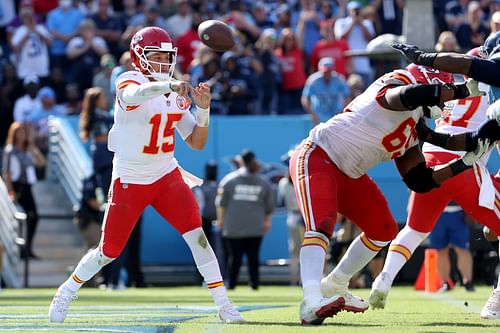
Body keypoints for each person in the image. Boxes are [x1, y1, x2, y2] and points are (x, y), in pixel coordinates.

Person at [48, 26, 243, 324]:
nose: (165, 62)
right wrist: (169, 87)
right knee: (109, 251)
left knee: (198, 236)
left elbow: (197, 142)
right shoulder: (130, 79)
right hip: (130, 178)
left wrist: (203, 111)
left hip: (166, 174)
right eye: (157, 55)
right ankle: (66, 290)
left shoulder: (175, 92)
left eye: (168, 56)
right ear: (140, 56)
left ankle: (225, 304)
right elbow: (137, 95)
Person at [288, 63, 497, 325]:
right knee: (322, 224)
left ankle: (336, 283)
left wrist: (463, 163)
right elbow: (405, 97)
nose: (446, 99)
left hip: (350, 174)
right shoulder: (395, 85)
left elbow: (419, 181)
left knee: (383, 229)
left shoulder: (414, 125)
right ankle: (310, 301)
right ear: (426, 81)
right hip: (318, 156)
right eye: (441, 88)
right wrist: (460, 90)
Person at [370, 53, 497, 308]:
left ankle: (383, 279)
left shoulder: (453, 87)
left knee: (414, 230)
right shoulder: (493, 87)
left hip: (429, 159)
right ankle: (496, 301)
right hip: (463, 161)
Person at [216, 149, 274, 290]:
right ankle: (254, 284)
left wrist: (221, 220)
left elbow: (220, 204)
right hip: (255, 226)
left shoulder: (229, 180)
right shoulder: (263, 182)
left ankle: (232, 284)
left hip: (233, 226)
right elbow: (269, 206)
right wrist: (267, 221)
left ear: (240, 161)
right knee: (253, 257)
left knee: (234, 258)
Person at [2, 122, 46, 259]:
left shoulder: (28, 150)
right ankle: (21, 249)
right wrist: (10, 190)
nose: (21, 135)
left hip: (28, 187)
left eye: (23, 132)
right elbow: (7, 172)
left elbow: (41, 163)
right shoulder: (10, 150)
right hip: (17, 186)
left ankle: (27, 248)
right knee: (23, 217)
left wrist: (33, 148)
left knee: (34, 217)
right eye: (19, 132)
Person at [301, 57, 350, 124]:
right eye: (325, 71)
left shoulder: (339, 80)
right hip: (318, 116)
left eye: (329, 71)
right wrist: (312, 113)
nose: (327, 74)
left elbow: (347, 96)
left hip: (335, 115)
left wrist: (342, 111)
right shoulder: (313, 80)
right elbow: (305, 98)